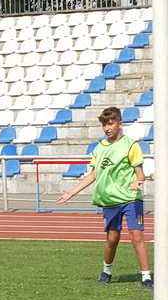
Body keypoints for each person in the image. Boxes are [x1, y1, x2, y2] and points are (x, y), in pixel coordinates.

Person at [56, 106, 152, 289]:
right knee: (112, 239)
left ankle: (146, 276)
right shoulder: (99, 148)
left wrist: (137, 181)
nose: (107, 128)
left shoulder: (131, 145)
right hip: (109, 200)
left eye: (110, 124)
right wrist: (72, 192)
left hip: (131, 198)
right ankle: (106, 272)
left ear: (119, 124)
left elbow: (140, 174)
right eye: (104, 125)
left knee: (137, 236)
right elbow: (93, 174)